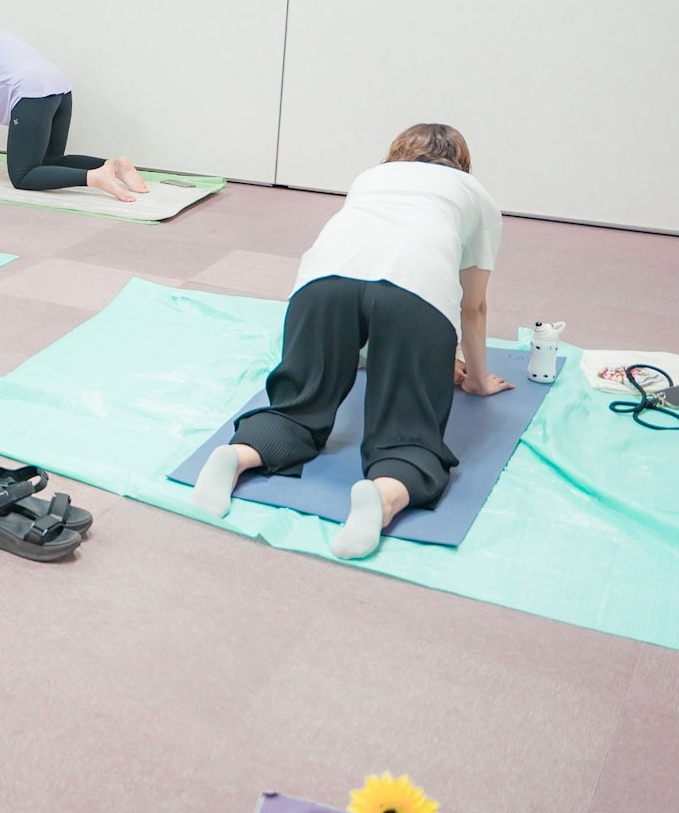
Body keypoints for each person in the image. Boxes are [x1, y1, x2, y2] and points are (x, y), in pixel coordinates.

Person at [191, 123, 510, 559]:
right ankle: (383, 496)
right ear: (463, 163)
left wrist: (362, 354)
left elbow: (363, 289)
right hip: (412, 296)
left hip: (320, 286)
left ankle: (238, 455)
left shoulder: (371, 177)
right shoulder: (476, 195)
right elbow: (473, 307)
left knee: (297, 407)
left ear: (396, 152)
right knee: (408, 437)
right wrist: (475, 379)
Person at [0, 25, 149, 202]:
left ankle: (94, 178)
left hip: (31, 94)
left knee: (22, 175)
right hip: (60, 90)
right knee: (48, 163)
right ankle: (114, 166)